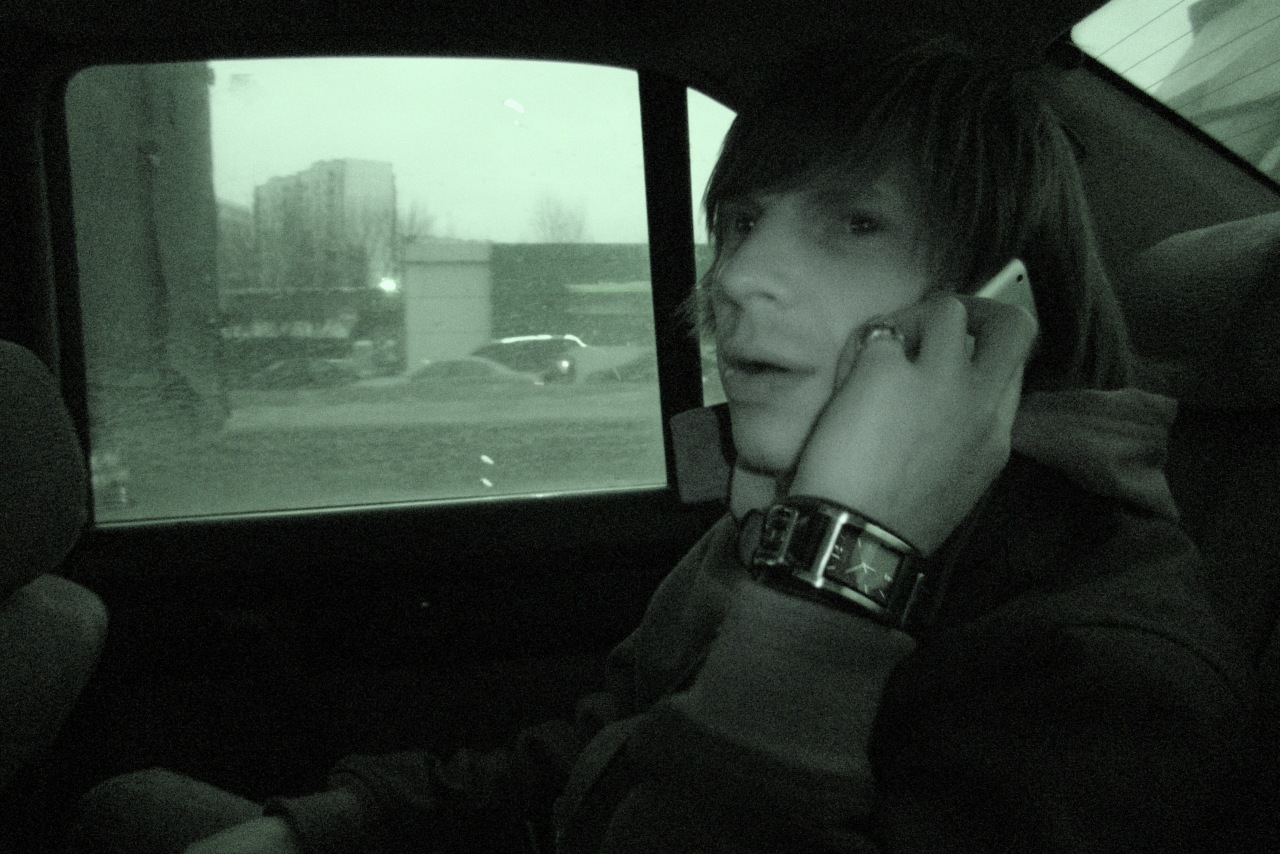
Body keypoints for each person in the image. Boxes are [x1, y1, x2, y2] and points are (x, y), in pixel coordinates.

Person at [70, 34, 1255, 853]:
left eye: (852, 222)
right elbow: (599, 755)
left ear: (997, 310)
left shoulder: (1100, 657)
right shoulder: (762, 520)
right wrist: (332, 824)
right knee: (132, 805)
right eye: (738, 220)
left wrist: (831, 589)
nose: (735, 276)